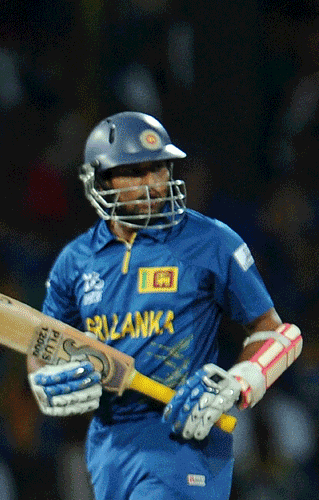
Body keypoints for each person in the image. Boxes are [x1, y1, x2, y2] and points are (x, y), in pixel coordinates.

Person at [27, 111, 302, 500]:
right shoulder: (75, 260)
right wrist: (44, 380)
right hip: (107, 445)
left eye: (159, 169)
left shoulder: (211, 241)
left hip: (185, 436)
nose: (154, 184)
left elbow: (275, 330)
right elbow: (44, 342)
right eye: (136, 172)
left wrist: (236, 383)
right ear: (101, 179)